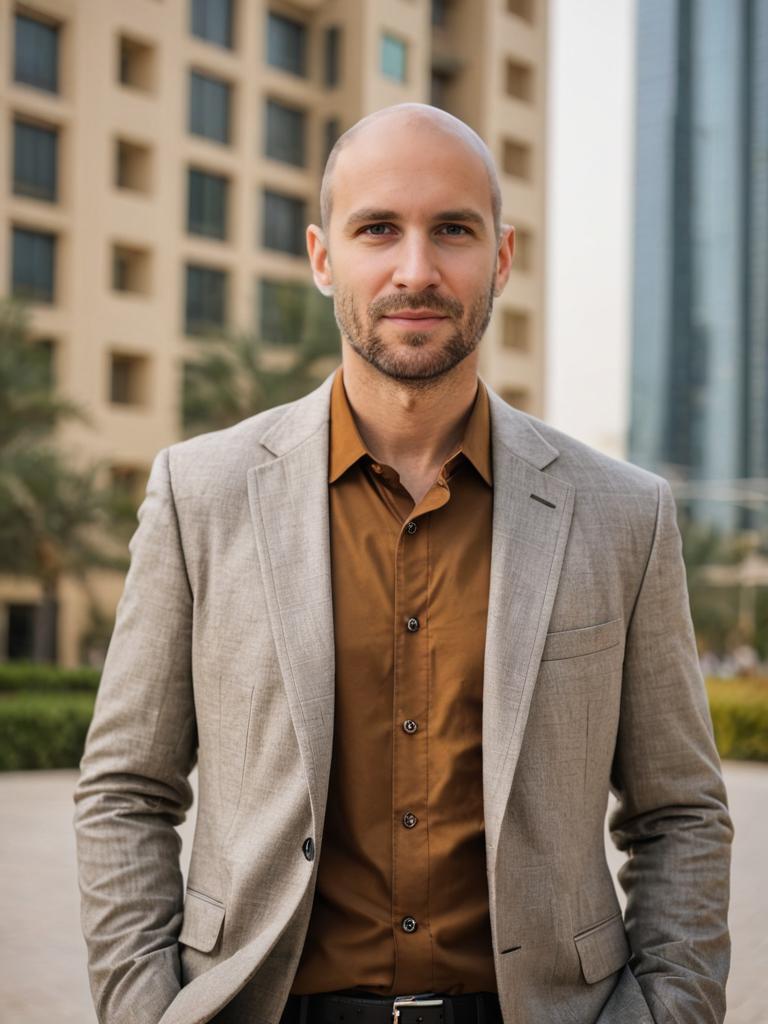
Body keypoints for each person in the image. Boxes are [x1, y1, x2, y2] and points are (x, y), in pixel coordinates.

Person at [74, 103, 732, 1024]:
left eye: (453, 231)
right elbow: (126, 792)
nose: (416, 270)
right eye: (377, 228)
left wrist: (669, 1010)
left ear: (500, 259)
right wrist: (146, 1010)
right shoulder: (202, 493)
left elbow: (681, 814)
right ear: (320, 255)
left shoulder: (625, 513)